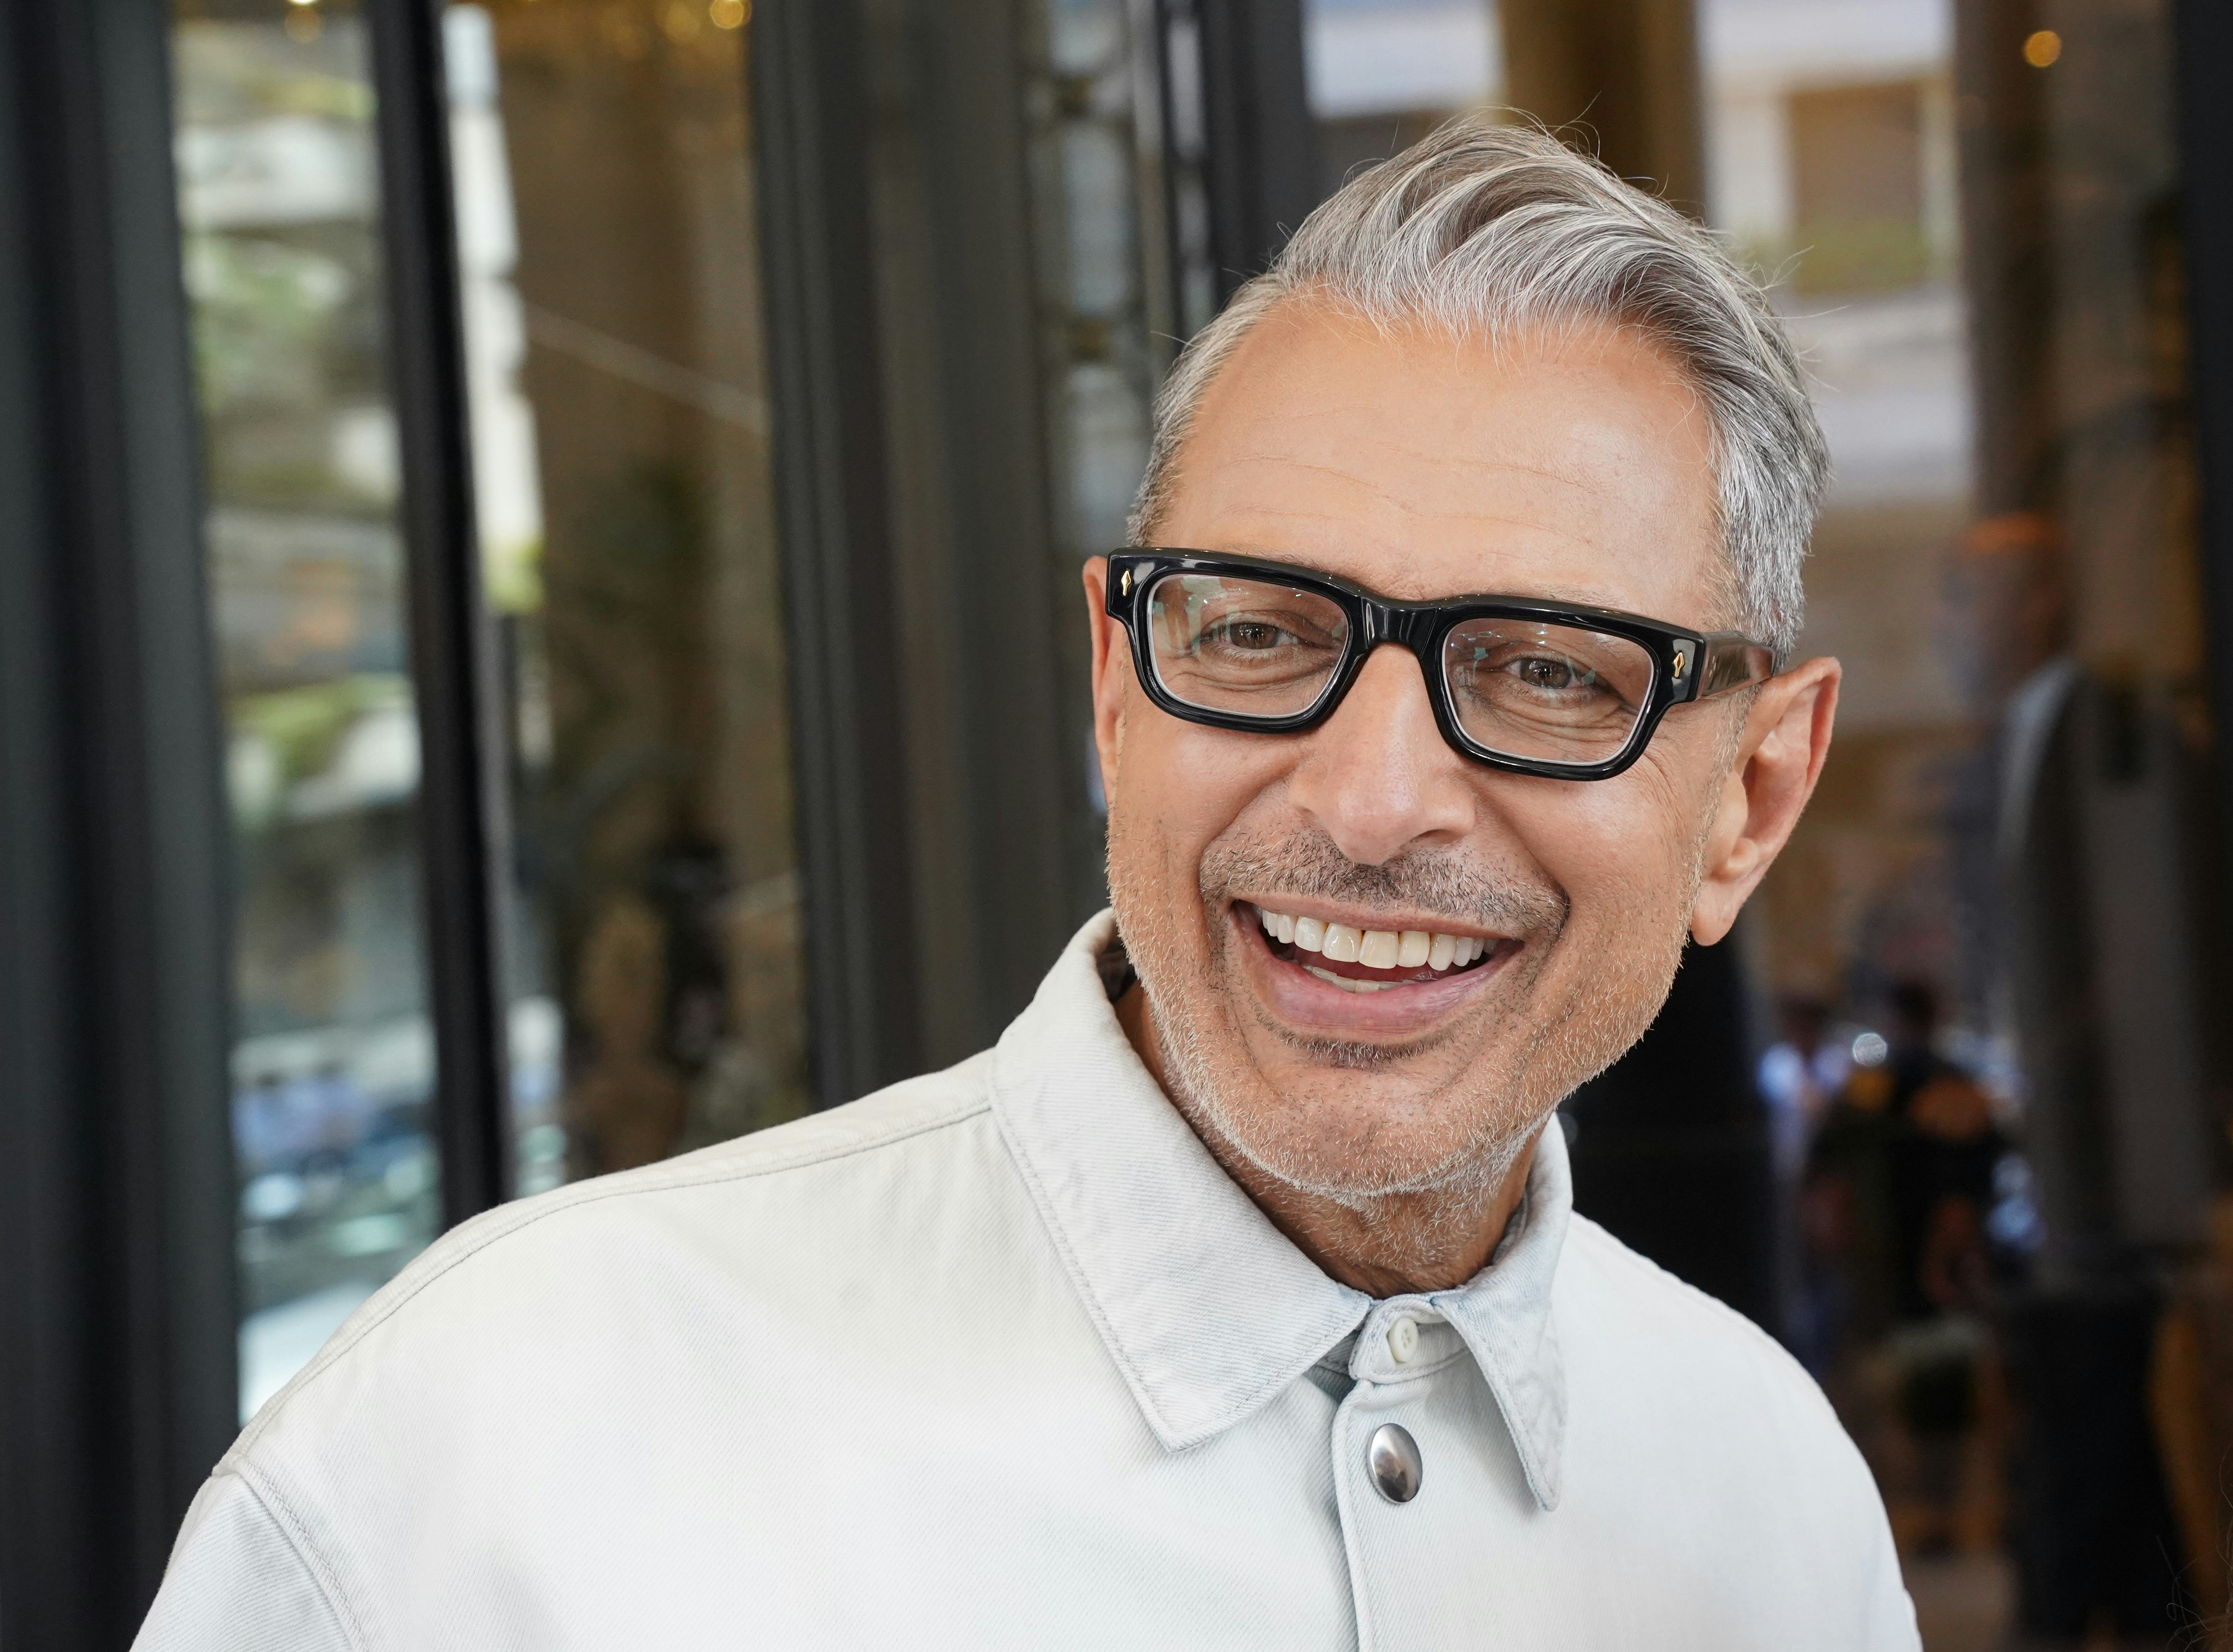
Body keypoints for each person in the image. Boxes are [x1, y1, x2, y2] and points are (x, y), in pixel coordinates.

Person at [134, 122, 1914, 1648]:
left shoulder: (1775, 1508)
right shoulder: (498, 1447)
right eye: (1262, 632)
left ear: (1753, 793)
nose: (1374, 803)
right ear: (1116, 684)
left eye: (1546, 672)